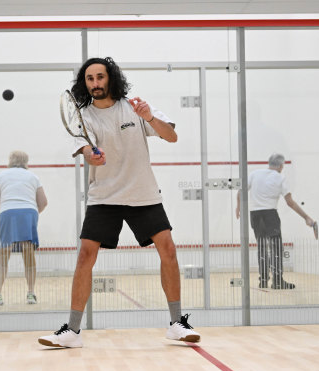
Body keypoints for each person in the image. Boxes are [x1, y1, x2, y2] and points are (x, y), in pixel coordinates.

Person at [38, 57, 200, 348]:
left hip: (143, 193)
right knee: (86, 256)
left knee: (169, 250)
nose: (96, 83)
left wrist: (149, 117)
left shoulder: (134, 107)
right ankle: (72, 331)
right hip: (105, 196)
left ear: (110, 78)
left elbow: (172, 136)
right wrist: (91, 154)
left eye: (100, 77)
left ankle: (177, 323)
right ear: (84, 83)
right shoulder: (83, 115)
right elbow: (84, 146)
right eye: (90, 79)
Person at [235, 153, 315, 289]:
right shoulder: (280, 178)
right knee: (276, 248)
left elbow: (240, 190)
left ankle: (264, 280)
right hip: (270, 215)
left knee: (261, 246)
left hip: (255, 215)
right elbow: (290, 202)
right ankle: (277, 281)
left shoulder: (255, 174)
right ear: (281, 165)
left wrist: (238, 206)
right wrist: (306, 217)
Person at [0, 150, 48, 306]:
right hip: (29, 214)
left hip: (8, 214)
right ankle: (31, 294)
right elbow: (43, 202)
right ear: (26, 161)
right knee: (28, 255)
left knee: (3, 255)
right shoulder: (33, 177)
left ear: (10, 160)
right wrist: (30, 213)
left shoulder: (2, 175)